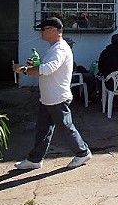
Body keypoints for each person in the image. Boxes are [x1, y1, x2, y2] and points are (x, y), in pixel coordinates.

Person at [12, 17, 92, 170]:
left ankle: (82, 152)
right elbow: (46, 67)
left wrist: (24, 70)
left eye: (44, 28)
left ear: (54, 30)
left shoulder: (60, 49)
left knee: (66, 127)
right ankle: (35, 159)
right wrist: (34, 65)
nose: (41, 32)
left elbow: (48, 69)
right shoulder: (54, 48)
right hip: (48, 97)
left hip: (57, 97)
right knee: (43, 129)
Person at [64, 37, 97, 102]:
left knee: (81, 67)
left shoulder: (66, 51)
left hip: (71, 73)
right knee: (92, 78)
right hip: (70, 76)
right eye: (70, 44)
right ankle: (85, 98)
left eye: (72, 44)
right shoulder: (66, 53)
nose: (72, 45)